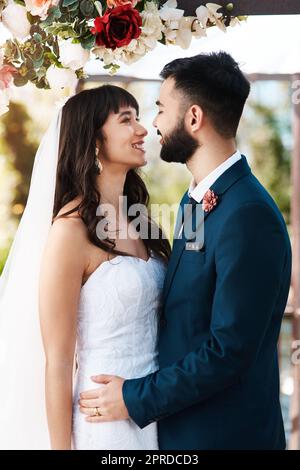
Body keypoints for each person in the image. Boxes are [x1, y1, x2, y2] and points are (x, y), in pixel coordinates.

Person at [79, 52, 292, 450]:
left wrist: (133, 396)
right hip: (177, 431)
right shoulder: (194, 201)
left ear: (193, 118)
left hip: (224, 437)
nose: (153, 124)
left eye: (160, 109)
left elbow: (228, 351)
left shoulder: (248, 213)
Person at [0, 85, 170, 450]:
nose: (142, 130)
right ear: (94, 141)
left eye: (138, 118)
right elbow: (58, 363)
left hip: (156, 412)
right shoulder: (69, 231)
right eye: (126, 120)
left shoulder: (140, 221)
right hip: (103, 424)